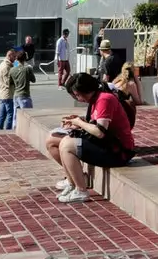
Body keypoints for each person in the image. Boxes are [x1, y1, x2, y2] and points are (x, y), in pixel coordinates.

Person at [43, 74, 135, 204]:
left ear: (83, 91)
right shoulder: (96, 98)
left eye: (76, 95)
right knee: (52, 140)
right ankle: (72, 182)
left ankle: (81, 190)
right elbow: (96, 124)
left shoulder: (105, 99)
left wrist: (79, 123)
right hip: (105, 143)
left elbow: (100, 132)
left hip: (118, 151)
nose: (76, 98)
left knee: (67, 144)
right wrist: (79, 121)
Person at [0, 48, 18, 130]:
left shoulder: (3, 64)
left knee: (2, 114)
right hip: (7, 93)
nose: (15, 58)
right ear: (9, 56)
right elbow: (7, 81)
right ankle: (8, 130)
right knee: (10, 114)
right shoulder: (6, 66)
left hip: (3, 93)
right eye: (14, 56)